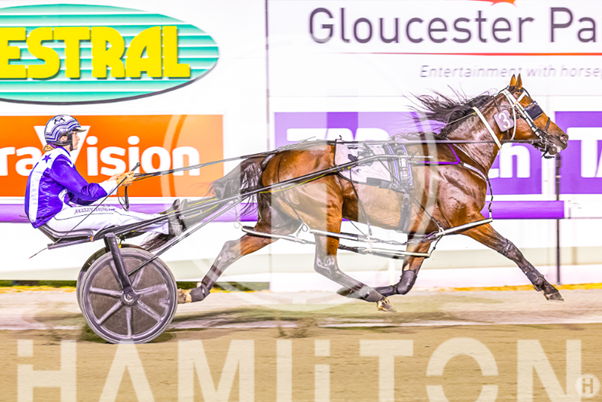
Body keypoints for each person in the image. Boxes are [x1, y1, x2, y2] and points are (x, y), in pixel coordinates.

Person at [25, 115, 176, 236]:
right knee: (113, 214)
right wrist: (116, 183)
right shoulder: (57, 160)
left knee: (111, 212)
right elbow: (87, 193)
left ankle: (163, 221)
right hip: (54, 218)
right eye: (75, 133)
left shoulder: (55, 158)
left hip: (53, 217)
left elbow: (81, 199)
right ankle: (167, 224)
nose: (78, 137)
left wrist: (111, 181)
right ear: (63, 137)